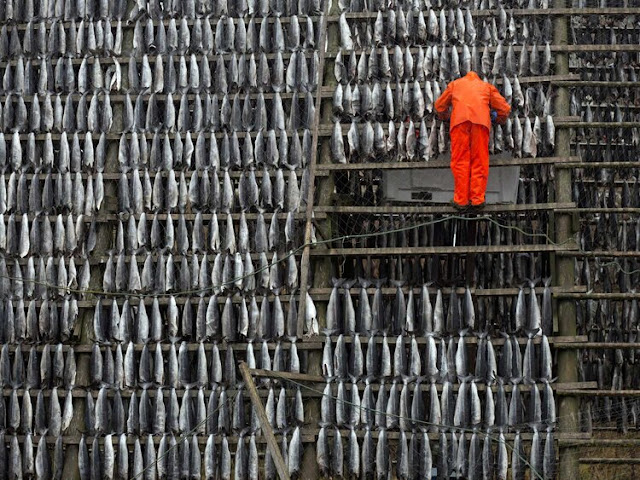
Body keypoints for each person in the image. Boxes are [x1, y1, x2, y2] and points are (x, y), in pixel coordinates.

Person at [434, 71, 511, 210]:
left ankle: (461, 200)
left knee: (460, 161)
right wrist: (498, 119)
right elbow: (505, 109)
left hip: (459, 123)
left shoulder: (454, 85)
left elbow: (439, 106)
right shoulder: (486, 87)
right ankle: (477, 200)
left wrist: (445, 116)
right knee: (479, 160)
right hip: (481, 124)